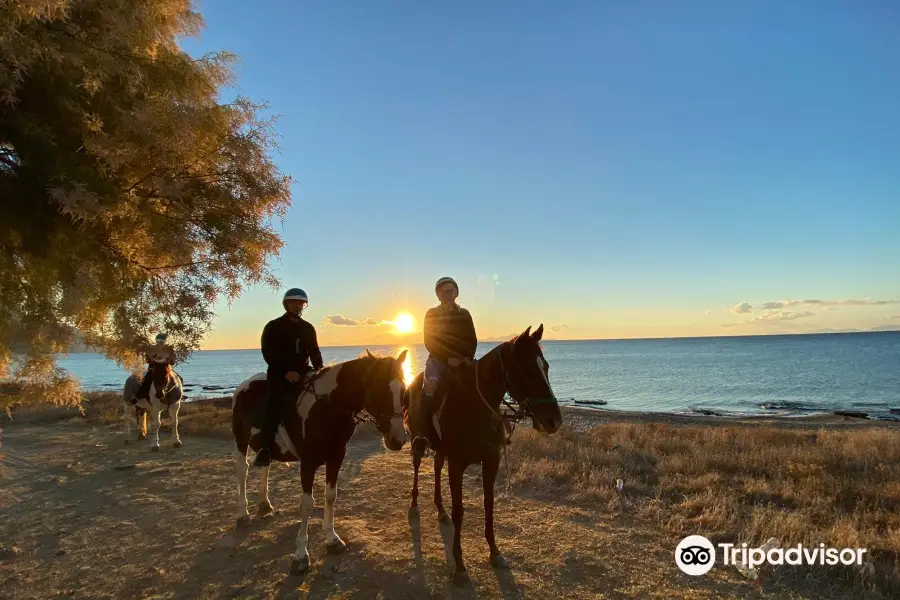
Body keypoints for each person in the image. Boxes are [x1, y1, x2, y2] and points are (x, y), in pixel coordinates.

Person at [254, 287, 324, 467]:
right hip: (279, 373)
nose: (298, 306)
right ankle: (266, 449)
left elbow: (314, 352)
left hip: (303, 371)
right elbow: (268, 352)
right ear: (286, 304)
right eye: (294, 302)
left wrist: (320, 371)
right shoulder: (273, 326)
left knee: (322, 398)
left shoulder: (307, 328)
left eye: (301, 303)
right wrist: (285, 372)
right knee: (274, 402)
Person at [411, 276, 478, 460]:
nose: (447, 294)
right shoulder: (431, 314)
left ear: (456, 292)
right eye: (443, 291)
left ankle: (495, 426)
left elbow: (471, 340)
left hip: (463, 359)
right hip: (438, 360)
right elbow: (430, 341)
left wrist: (465, 358)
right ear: (438, 295)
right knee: (429, 387)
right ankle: (422, 436)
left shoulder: (464, 314)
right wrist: (448, 359)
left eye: (450, 290)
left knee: (482, 381)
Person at [134, 333, 176, 402]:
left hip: (154, 369)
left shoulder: (151, 348)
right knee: (175, 381)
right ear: (165, 341)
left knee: (146, 382)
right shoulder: (169, 348)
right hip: (166, 369)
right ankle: (178, 395)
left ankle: (139, 396)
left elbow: (147, 360)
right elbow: (172, 361)